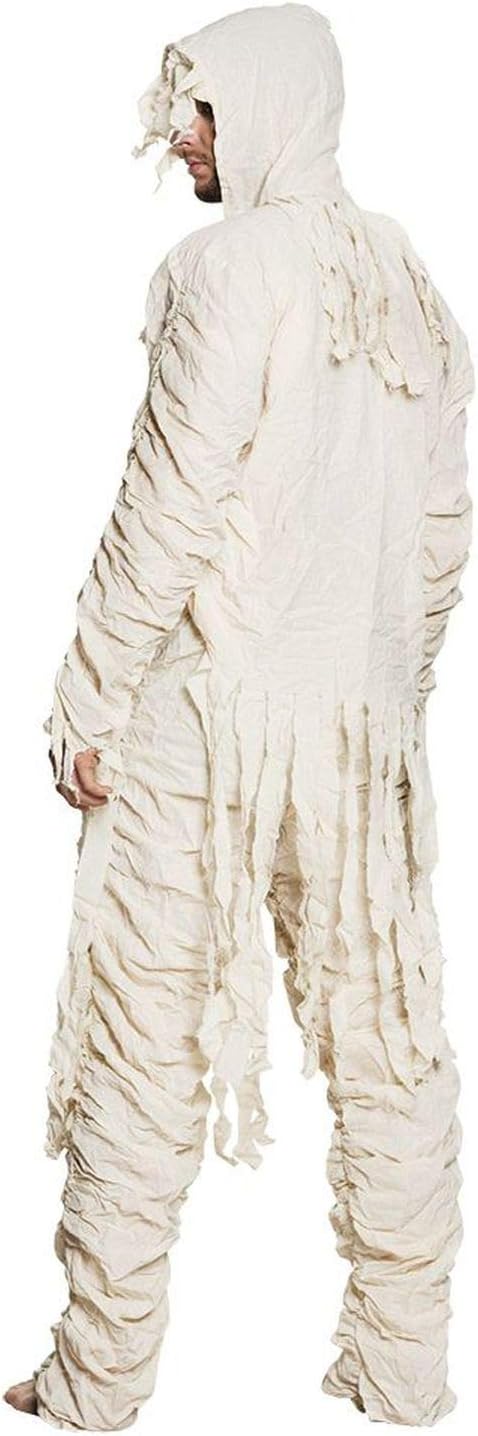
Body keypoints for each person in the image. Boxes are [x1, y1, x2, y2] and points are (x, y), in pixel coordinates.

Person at [4, 3, 474, 1428]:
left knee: (143, 1036)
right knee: (385, 1048)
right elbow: (443, 523)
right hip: (353, 737)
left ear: (269, 106)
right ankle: (404, 1371)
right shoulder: (403, 279)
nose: (183, 140)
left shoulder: (224, 270)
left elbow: (169, 504)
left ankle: (97, 1383)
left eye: (200, 111)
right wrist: (396, 690)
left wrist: (87, 695)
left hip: (202, 726)